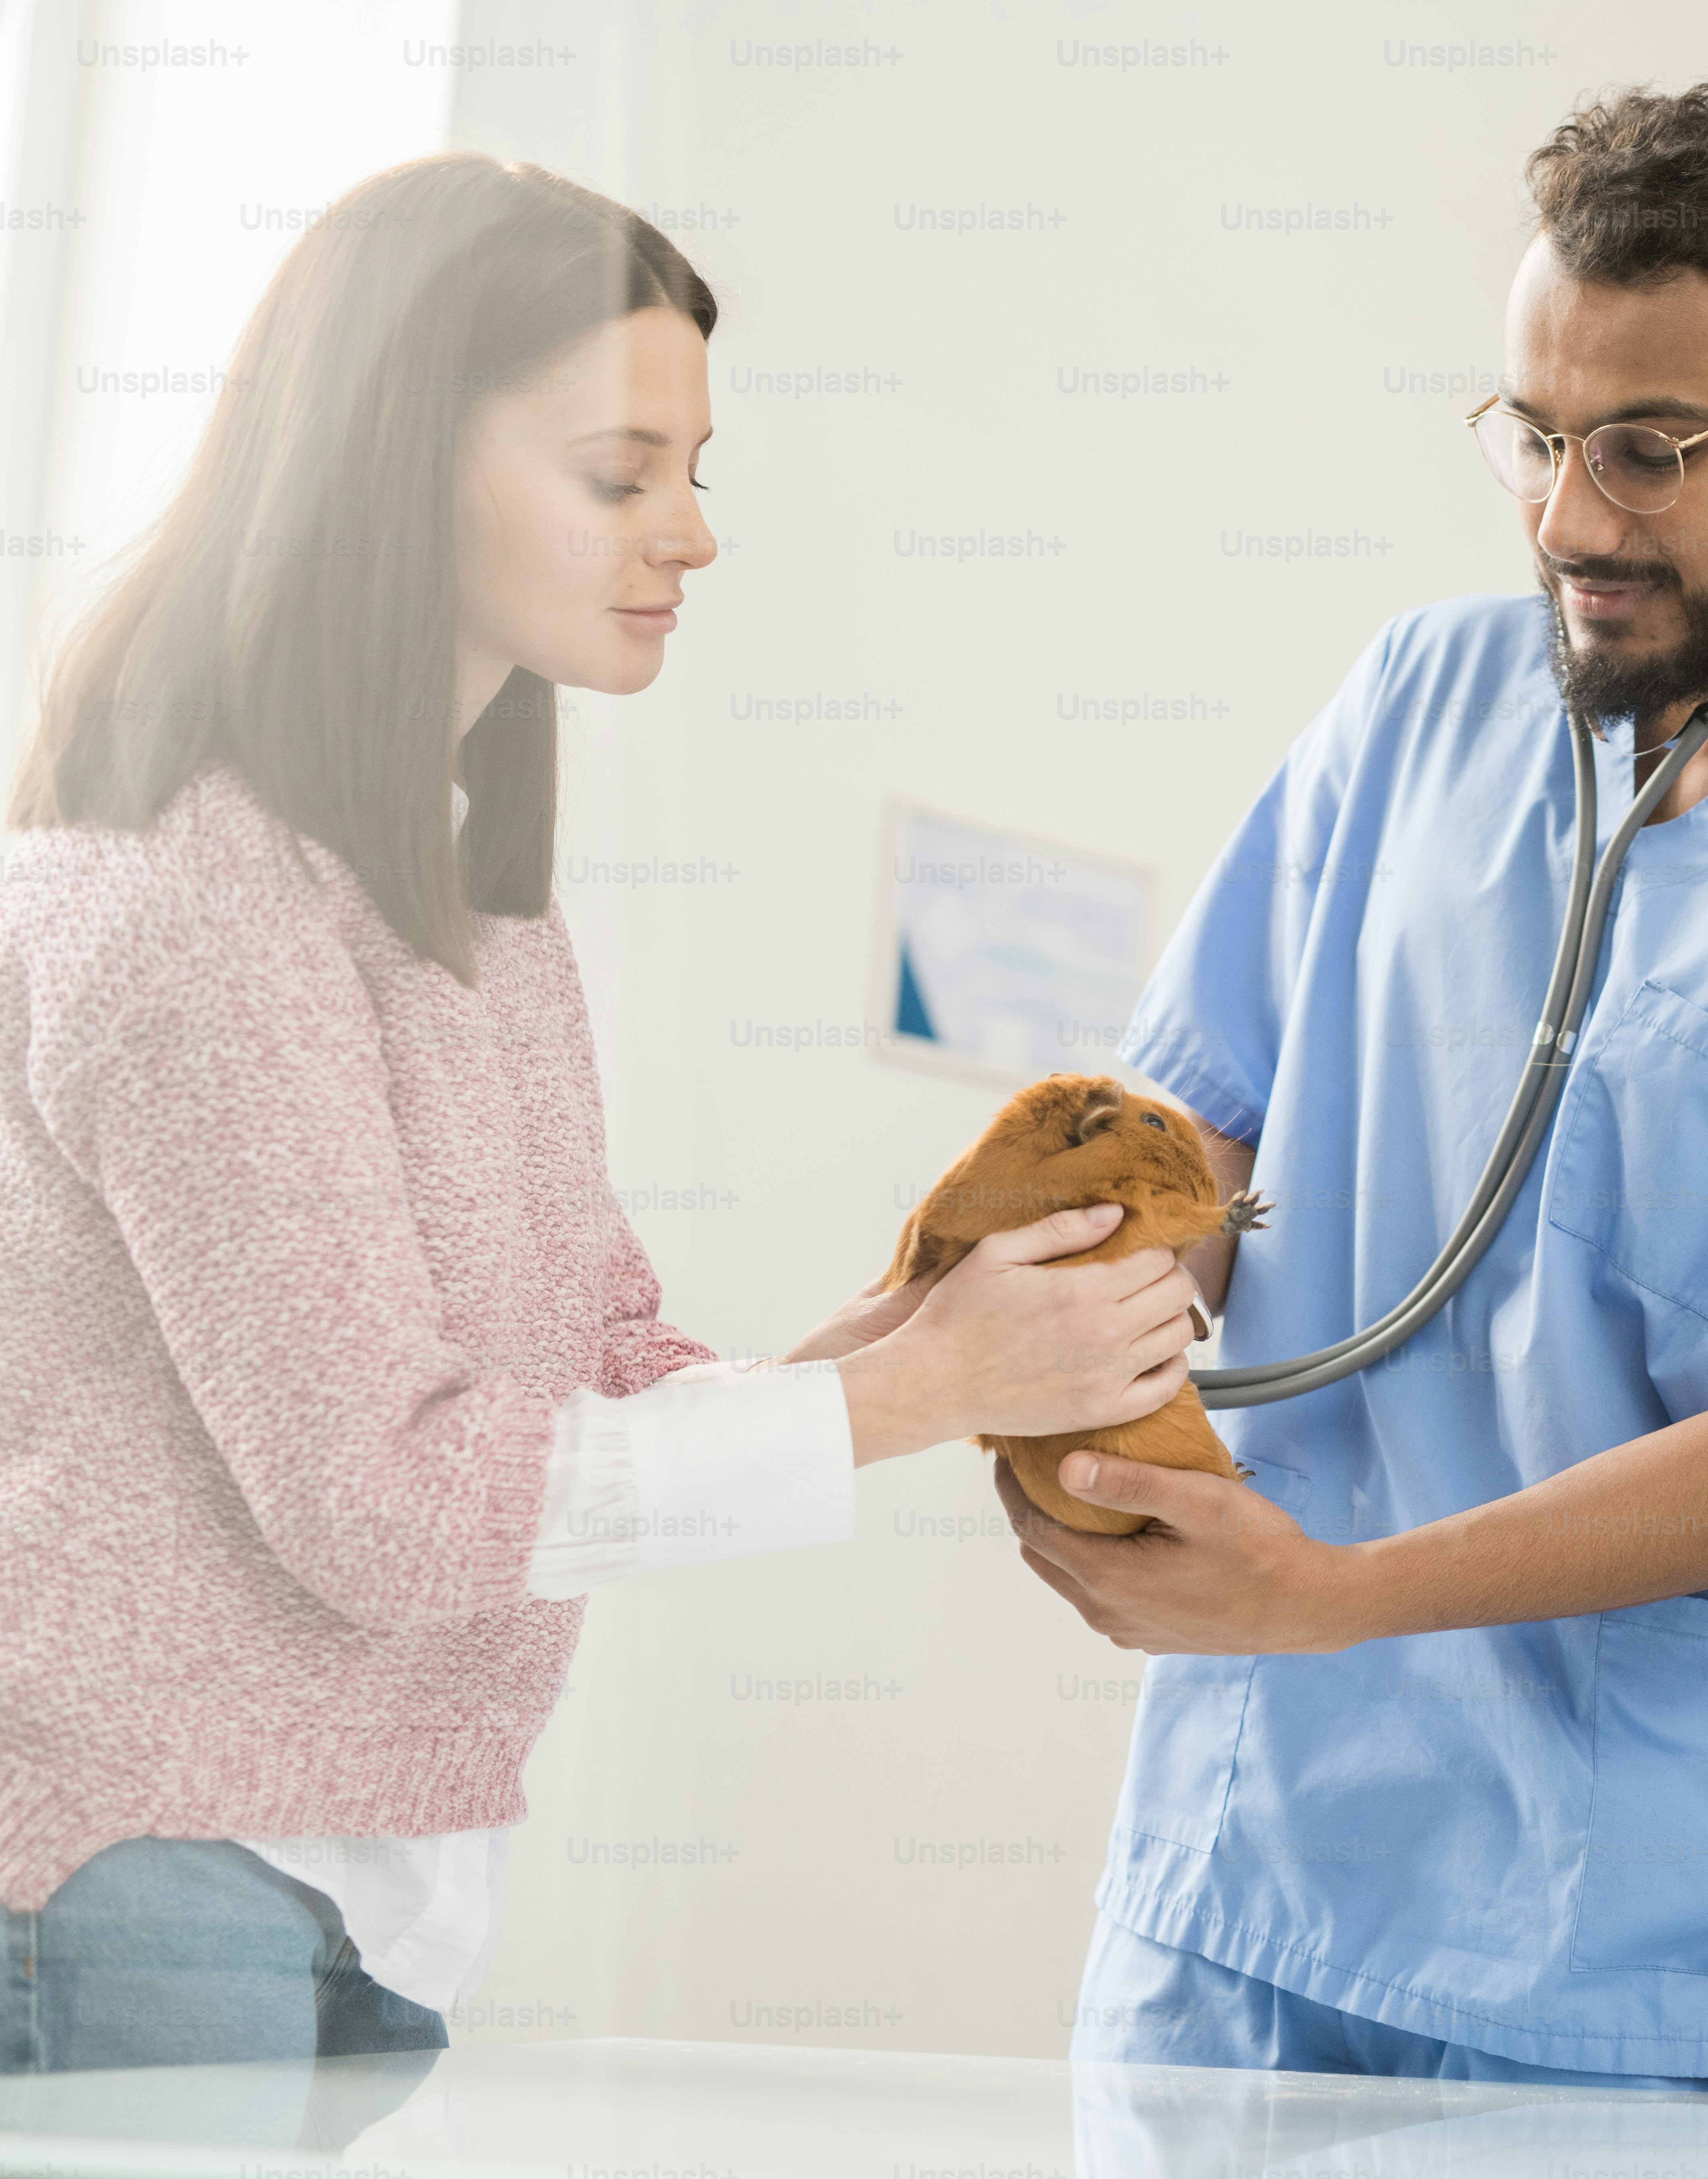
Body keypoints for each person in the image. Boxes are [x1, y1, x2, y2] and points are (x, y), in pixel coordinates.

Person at [997, 85, 1708, 2094]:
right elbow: (1197, 1135)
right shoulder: (1420, 699)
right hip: (1247, 1873)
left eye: (1650, 450)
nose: (1568, 520)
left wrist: (1337, 1596)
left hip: (1647, 1942)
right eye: (1534, 436)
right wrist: (1064, 1336)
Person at [0, 153, 1200, 2071]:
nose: (694, 534)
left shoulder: (472, 911)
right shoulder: (195, 906)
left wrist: (902, 1337)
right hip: (140, 1870)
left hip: (352, 1892)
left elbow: (591, 1359)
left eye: (693, 472)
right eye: (621, 475)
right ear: (397, 459)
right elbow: (389, 1509)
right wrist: (916, 1391)